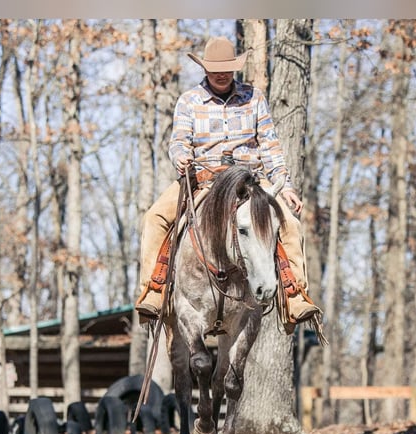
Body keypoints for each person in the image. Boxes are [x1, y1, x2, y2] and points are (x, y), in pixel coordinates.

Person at [136, 36, 321, 328]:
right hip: (202, 180)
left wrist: (284, 186)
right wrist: (181, 156)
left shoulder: (254, 97)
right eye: (215, 69)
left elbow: (270, 146)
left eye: (227, 68)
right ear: (205, 69)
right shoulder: (189, 100)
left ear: (235, 68)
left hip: (249, 183)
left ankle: (295, 294)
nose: (221, 74)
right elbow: (179, 140)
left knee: (290, 225)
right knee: (155, 218)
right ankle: (154, 290)